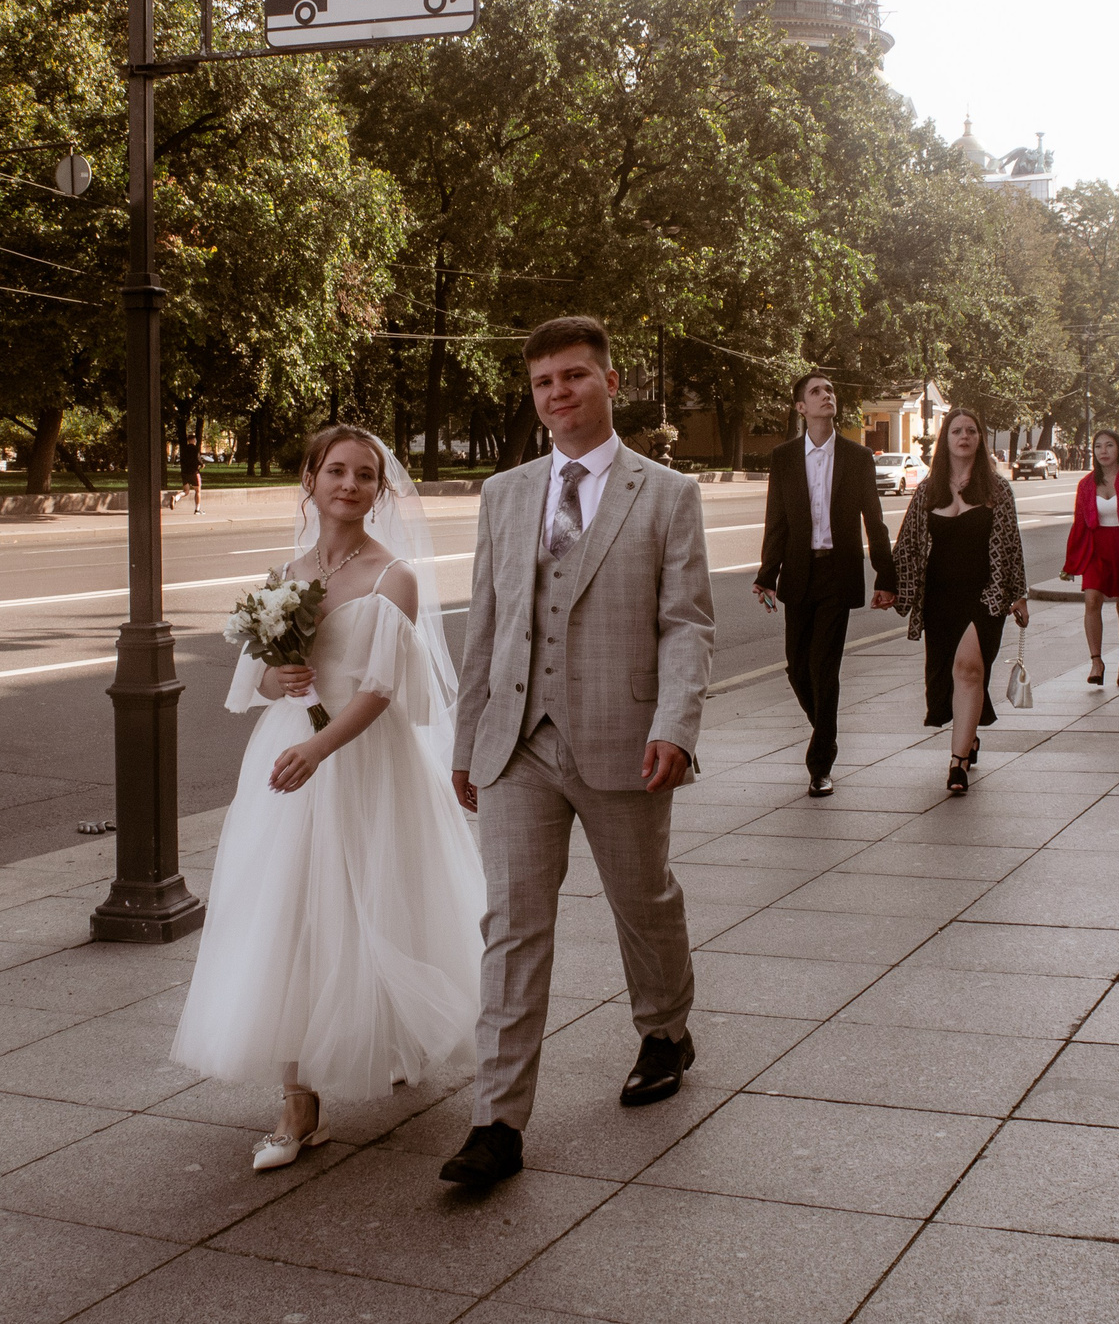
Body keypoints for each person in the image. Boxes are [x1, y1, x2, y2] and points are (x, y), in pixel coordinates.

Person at [442, 316, 717, 1188]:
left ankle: (666, 1027)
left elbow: (687, 625)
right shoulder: (504, 493)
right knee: (513, 926)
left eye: (573, 376)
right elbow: (485, 623)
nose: (557, 393)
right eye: (542, 383)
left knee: (643, 899)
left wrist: (675, 724)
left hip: (625, 739)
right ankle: (496, 1122)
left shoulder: (666, 493)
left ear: (609, 381)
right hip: (518, 742)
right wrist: (468, 737)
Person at [169, 425, 480, 1172]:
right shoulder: (288, 571)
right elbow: (262, 678)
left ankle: (396, 1031)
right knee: (293, 917)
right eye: (335, 470)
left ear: (380, 490)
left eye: (365, 474)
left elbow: (382, 690)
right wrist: (282, 676)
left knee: (378, 904)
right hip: (286, 760)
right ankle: (299, 1104)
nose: (349, 484)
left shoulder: (392, 576)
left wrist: (318, 745)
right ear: (309, 479)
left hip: (359, 758)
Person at [754, 372, 897, 797]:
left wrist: (885, 578)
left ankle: (820, 765)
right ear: (801, 408)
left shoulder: (857, 457)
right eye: (816, 392)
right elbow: (776, 520)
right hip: (799, 574)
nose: (826, 396)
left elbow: (875, 520)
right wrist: (767, 574)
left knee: (823, 667)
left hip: (838, 572)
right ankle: (828, 732)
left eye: (830, 390)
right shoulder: (783, 458)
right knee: (797, 668)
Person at [891, 406, 1029, 794]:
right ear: (946, 440)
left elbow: (1011, 547)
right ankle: (969, 738)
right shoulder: (927, 490)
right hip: (938, 597)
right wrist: (890, 588)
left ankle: (957, 763)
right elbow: (908, 546)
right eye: (956, 431)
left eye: (971, 430)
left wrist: (1017, 594)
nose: (964, 436)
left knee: (969, 669)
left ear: (980, 438)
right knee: (949, 675)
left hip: (985, 595)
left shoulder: (997, 489)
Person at [1062, 429, 1119, 688]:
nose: (1103, 451)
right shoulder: (1087, 484)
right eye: (1098, 446)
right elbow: (1079, 524)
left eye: (1109, 445)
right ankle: (1096, 661)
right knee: (1092, 601)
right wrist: (1071, 563)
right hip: (1095, 548)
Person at [179, 433, 205, 514]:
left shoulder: (184, 449)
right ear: (193, 440)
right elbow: (198, 459)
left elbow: (182, 460)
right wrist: (202, 464)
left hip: (184, 472)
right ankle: (197, 509)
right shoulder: (195, 449)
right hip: (194, 472)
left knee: (186, 491)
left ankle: (176, 497)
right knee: (198, 490)